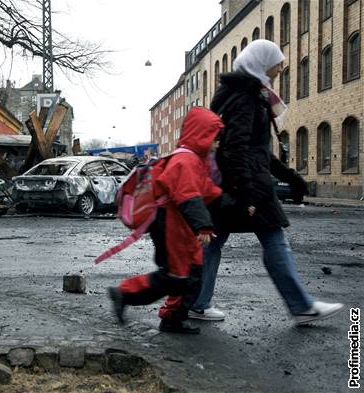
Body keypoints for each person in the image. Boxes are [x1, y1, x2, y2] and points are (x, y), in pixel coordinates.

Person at [188, 39, 343, 325]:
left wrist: (291, 178)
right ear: (261, 62)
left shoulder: (237, 94)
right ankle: (301, 306)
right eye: (277, 60)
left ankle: (196, 302)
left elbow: (258, 151)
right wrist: (247, 193)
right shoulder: (245, 98)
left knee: (211, 242)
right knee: (273, 240)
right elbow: (236, 149)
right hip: (248, 187)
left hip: (234, 184)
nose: (281, 66)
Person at [108, 107, 224, 334]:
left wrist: (231, 201)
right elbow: (189, 196)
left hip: (182, 226)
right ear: (202, 135)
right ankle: (125, 293)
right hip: (172, 225)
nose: (217, 144)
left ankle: (173, 317)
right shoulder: (185, 161)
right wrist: (204, 225)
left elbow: (207, 191)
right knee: (176, 276)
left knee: (191, 274)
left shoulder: (193, 161)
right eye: (214, 138)